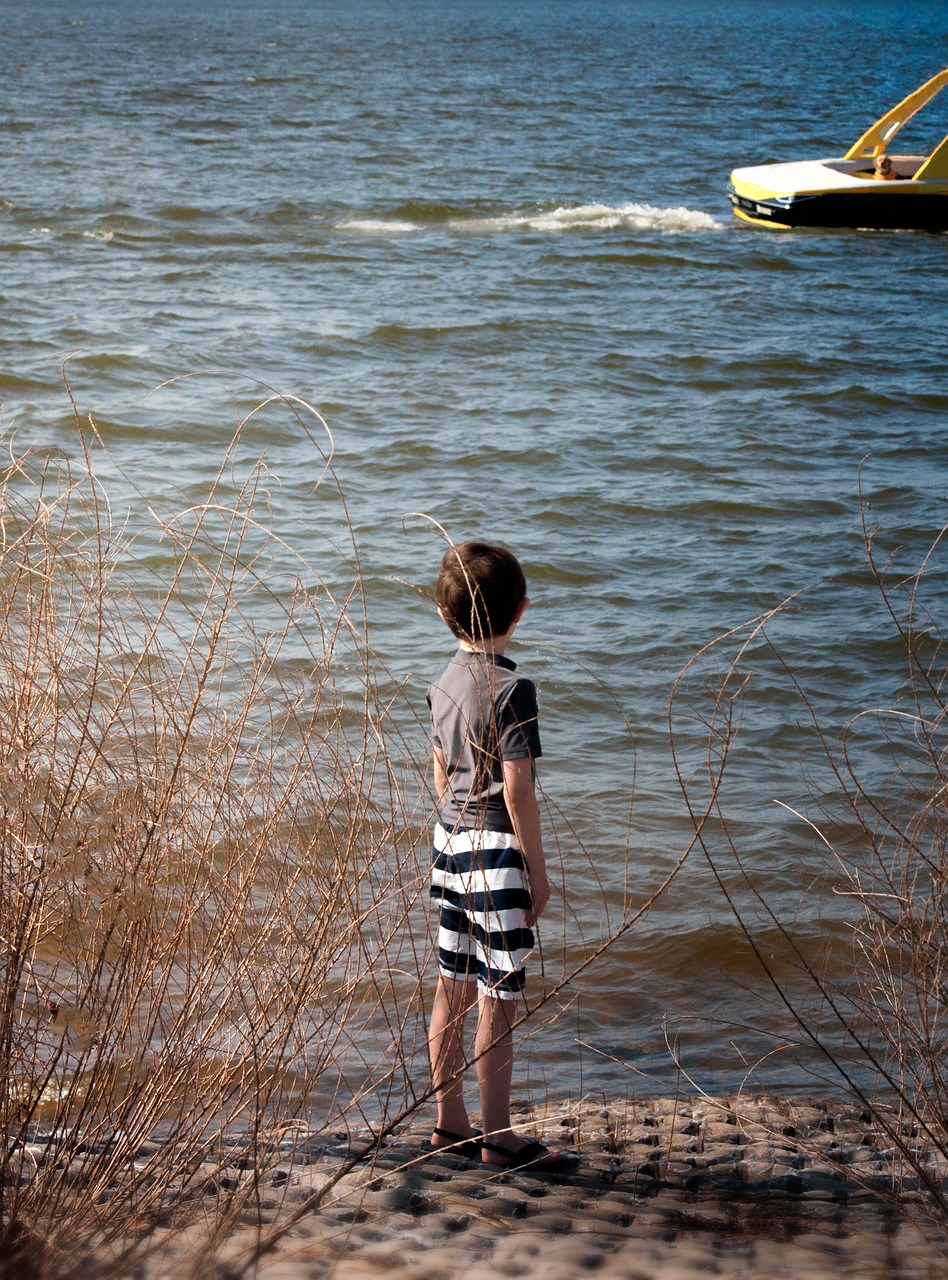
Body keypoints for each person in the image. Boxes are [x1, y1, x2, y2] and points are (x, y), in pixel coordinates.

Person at [425, 540, 562, 1171]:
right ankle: (497, 1134)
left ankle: (448, 1121)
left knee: (451, 986)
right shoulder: (514, 689)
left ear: (446, 616)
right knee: (498, 994)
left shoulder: (443, 683)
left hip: (449, 840)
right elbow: (516, 787)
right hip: (495, 848)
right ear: (521, 610)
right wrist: (536, 869)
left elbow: (439, 774)